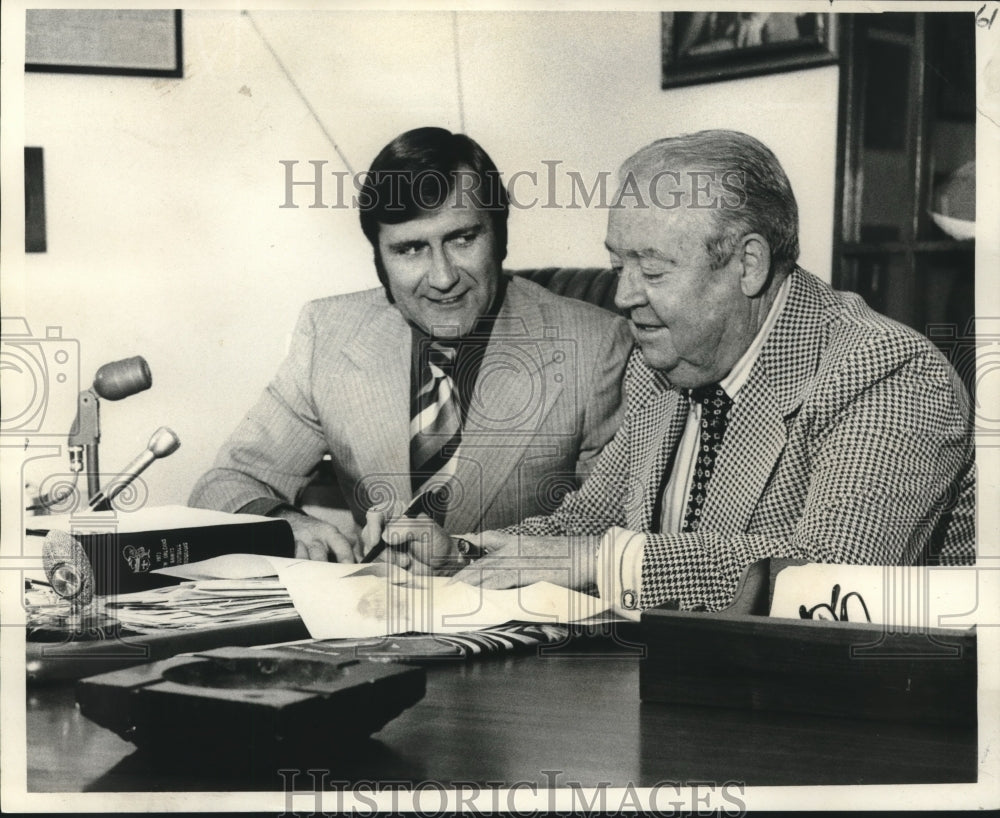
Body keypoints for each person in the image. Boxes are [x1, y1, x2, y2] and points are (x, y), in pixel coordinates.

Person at [379, 129, 976, 614]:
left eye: (653, 271)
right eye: (618, 266)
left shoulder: (885, 370)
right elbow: (582, 524)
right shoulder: (664, 364)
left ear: (747, 264)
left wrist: (606, 564)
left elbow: (823, 579)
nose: (625, 296)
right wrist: (460, 553)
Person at [189, 127, 632, 563]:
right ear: (379, 260)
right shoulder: (329, 332)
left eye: (462, 239)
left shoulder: (592, 347)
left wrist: (463, 557)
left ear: (500, 235)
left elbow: (615, 537)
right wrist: (285, 521)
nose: (442, 278)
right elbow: (226, 483)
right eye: (410, 249)